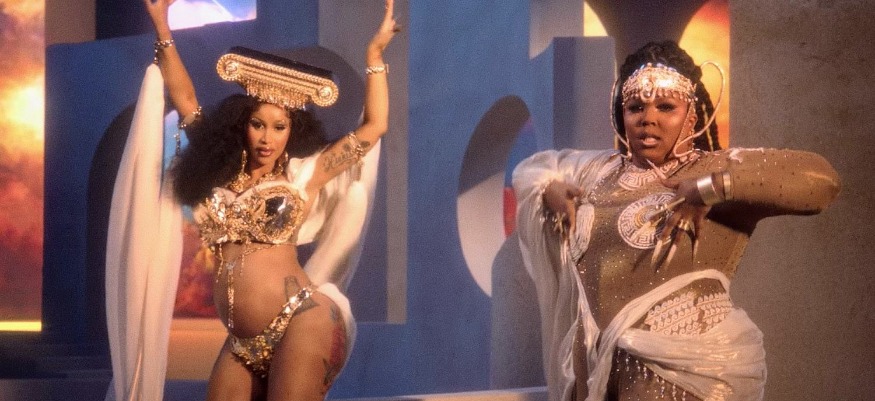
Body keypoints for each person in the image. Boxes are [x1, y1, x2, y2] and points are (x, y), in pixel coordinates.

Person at [513, 41, 840, 401]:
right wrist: (550, 191)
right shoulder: (598, 172)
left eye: (666, 107)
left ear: (692, 116)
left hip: (686, 375)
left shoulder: (711, 167)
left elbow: (822, 181)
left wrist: (712, 188)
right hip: (596, 373)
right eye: (635, 107)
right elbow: (533, 172)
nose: (648, 118)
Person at [104, 1, 398, 400]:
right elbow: (185, 98)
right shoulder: (220, 174)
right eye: (258, 124)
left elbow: (375, 126)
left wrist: (374, 57)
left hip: (301, 319)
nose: (266, 138)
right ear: (243, 124)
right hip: (241, 342)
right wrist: (162, 28)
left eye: (279, 127)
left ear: (292, 131)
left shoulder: (303, 175)